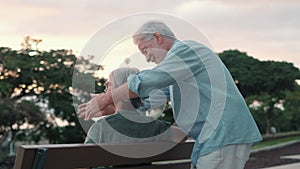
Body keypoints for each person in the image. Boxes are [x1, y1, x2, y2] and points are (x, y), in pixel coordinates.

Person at [77, 20, 262, 169]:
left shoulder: (188, 51)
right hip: (212, 141)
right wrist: (115, 106)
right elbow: (151, 97)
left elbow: (150, 80)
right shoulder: (177, 73)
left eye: (145, 50)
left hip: (222, 137)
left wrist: (107, 97)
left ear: (157, 37)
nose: (147, 57)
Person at [79, 67, 186, 144]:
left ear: (118, 91)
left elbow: (83, 162)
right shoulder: (154, 126)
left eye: (108, 85)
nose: (106, 90)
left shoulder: (101, 127)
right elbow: (182, 136)